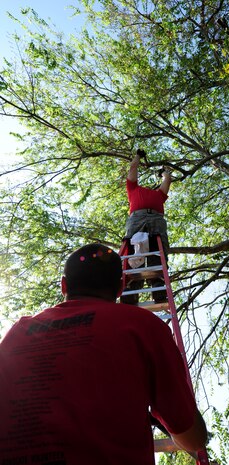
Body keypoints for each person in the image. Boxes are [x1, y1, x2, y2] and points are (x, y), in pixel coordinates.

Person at [0, 243, 207, 465]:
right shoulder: (145, 326)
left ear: (63, 285)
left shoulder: (16, 333)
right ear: (121, 287)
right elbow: (192, 438)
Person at [122, 149, 172, 304]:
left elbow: (167, 180)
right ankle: (132, 286)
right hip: (137, 217)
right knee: (132, 247)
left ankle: (157, 283)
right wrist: (138, 156)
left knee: (157, 249)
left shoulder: (159, 195)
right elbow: (133, 169)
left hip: (156, 218)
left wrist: (164, 172)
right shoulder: (133, 189)